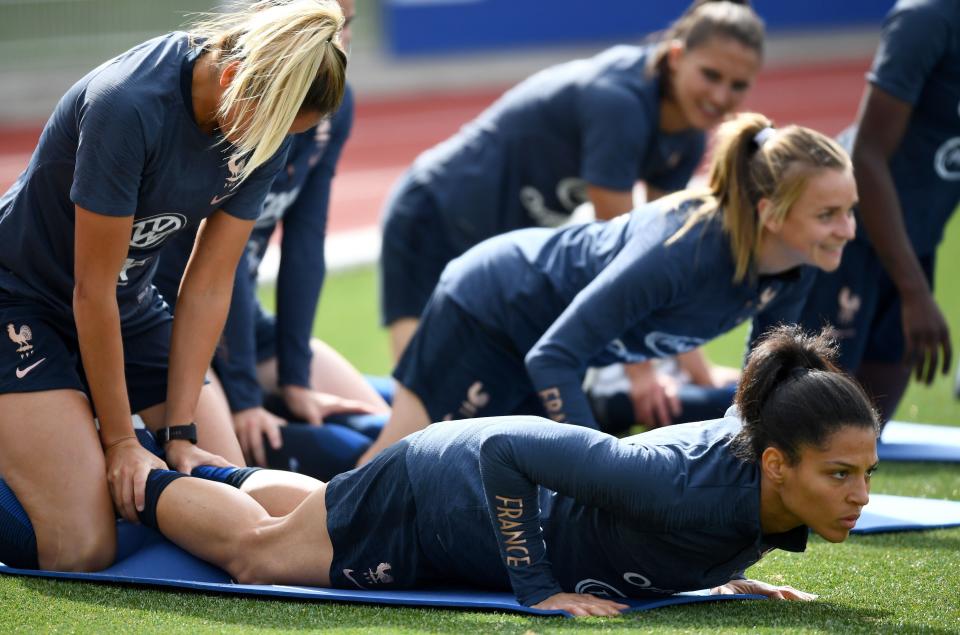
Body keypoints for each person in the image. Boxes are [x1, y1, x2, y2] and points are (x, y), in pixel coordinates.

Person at [107, 325, 878, 616]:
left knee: (317, 511)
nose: (860, 495)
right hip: (446, 490)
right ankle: (136, 481)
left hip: (457, 492)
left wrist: (712, 577)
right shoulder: (683, 487)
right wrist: (539, 588)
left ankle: (230, 480)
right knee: (259, 556)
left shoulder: (768, 482)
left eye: (865, 473)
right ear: (777, 464)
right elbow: (509, 451)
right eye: (842, 474)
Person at [0, 0, 348, 572]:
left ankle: (78, 434)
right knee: (81, 549)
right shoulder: (129, 104)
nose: (272, 146)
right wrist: (120, 444)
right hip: (23, 301)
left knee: (225, 491)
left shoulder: (268, 121)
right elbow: (91, 290)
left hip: (130, 304)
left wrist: (180, 430)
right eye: (272, 128)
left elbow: (210, 284)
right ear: (236, 78)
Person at [358, 112, 858, 465]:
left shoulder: (796, 260)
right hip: (487, 310)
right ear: (770, 214)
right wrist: (602, 472)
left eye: (849, 210)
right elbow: (553, 357)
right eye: (827, 215)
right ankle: (291, 528)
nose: (848, 229)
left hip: (538, 347)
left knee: (497, 483)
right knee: (396, 462)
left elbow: (755, 395)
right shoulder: (682, 251)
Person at [380, 0, 765, 362]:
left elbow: (667, 253)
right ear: (677, 56)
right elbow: (625, 260)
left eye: (738, 85)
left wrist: (696, 371)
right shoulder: (621, 101)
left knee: (485, 392)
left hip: (493, 249)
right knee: (424, 393)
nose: (720, 96)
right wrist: (642, 371)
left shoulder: (690, 132)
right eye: (711, 75)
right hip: (433, 216)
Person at [154, 0, 389, 468]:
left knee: (386, 434)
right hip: (169, 324)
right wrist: (244, 398)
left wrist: (296, 377)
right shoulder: (240, 110)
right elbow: (223, 269)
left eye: (347, 27)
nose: (338, 44)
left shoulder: (330, 109)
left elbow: (305, 242)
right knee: (232, 468)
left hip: (243, 322)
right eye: (325, 27)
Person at [798, 0, 959, 421]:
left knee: (864, 427)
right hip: (851, 229)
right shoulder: (926, 20)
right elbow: (866, 157)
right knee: (803, 418)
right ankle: (638, 403)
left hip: (918, 233)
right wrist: (915, 291)